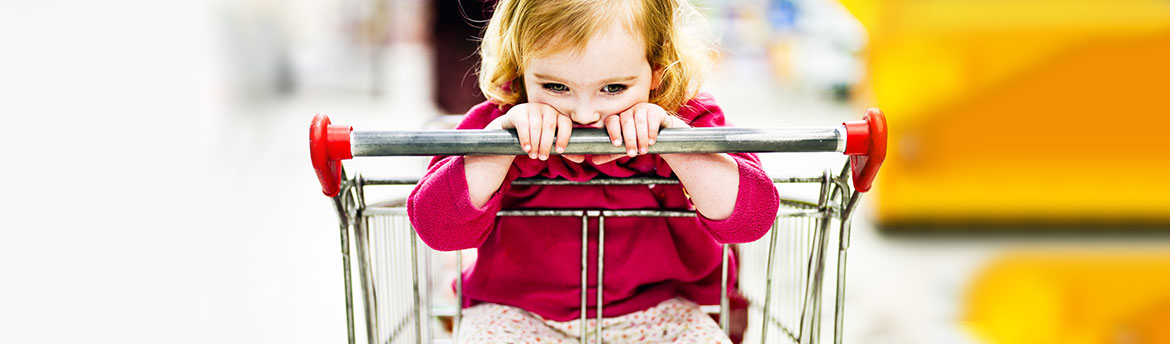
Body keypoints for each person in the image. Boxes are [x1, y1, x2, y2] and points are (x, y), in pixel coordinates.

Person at [408, 0, 779, 342]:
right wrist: (498, 146)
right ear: (521, 68)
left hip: (664, 312)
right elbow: (439, 229)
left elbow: (751, 221)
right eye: (555, 86)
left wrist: (677, 143)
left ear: (656, 71)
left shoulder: (690, 119)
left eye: (614, 88)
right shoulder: (501, 120)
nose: (585, 115)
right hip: (516, 313)